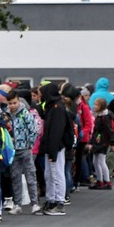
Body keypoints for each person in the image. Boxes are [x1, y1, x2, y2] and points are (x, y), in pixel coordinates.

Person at [39, 82, 73, 215]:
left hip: (56, 147)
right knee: (50, 174)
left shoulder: (56, 108)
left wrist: (52, 150)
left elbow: (56, 132)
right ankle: (51, 200)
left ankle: (59, 202)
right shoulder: (54, 106)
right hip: (53, 147)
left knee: (56, 174)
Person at [5, 90, 40, 214]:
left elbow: (33, 130)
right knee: (15, 177)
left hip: (25, 149)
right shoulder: (7, 115)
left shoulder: (25, 114)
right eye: (10, 103)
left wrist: (30, 144)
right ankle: (18, 204)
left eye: (14, 103)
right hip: (13, 150)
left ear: (18, 101)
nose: (12, 106)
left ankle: (34, 203)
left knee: (30, 176)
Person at [90, 98, 114, 190]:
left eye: (97, 105)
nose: (94, 106)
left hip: (103, 141)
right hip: (98, 140)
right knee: (95, 161)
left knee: (101, 161)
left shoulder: (105, 117)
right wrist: (92, 140)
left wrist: (112, 143)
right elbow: (96, 130)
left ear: (101, 106)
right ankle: (100, 180)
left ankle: (107, 181)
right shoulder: (99, 116)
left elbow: (110, 130)